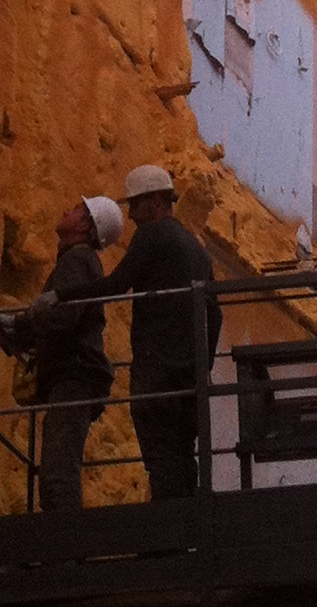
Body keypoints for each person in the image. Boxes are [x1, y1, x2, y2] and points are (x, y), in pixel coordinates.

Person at [96, 164, 224, 499]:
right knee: (183, 459)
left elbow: (117, 284)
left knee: (163, 461)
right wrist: (202, 366)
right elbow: (217, 314)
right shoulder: (197, 250)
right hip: (188, 379)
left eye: (135, 205)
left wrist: (61, 296)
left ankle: (167, 543)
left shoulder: (152, 235)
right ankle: (185, 536)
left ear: (154, 202)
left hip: (157, 375)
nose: (132, 216)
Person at [13, 193, 124, 513]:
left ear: (86, 226)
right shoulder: (82, 261)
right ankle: (64, 553)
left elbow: (62, 316)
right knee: (57, 470)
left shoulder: (77, 260)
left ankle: (65, 556)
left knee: (57, 473)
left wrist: (23, 325)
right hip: (77, 376)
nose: (67, 209)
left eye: (77, 209)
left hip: (73, 377)